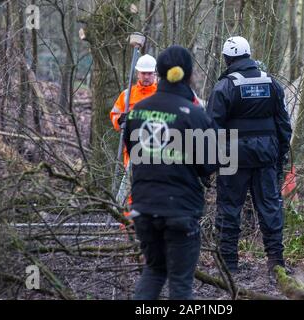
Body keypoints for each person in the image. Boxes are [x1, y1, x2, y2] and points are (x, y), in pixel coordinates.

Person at [123, 45, 217, 300]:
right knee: (180, 283)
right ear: (187, 75)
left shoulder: (136, 112)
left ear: (160, 73)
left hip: (143, 205)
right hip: (180, 210)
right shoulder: (195, 114)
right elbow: (208, 164)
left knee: (153, 271)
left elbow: (133, 151)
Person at [206, 36, 292, 281]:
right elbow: (283, 125)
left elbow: (211, 129)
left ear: (227, 58)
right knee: (270, 206)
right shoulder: (272, 84)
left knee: (230, 208)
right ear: (249, 55)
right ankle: (276, 263)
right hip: (266, 154)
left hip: (233, 156)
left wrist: (206, 167)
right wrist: (280, 155)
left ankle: (229, 265)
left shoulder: (224, 87)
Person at [110, 54, 158, 167]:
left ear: (155, 73)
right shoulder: (127, 95)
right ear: (137, 74)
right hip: (132, 153)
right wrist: (120, 119)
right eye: (143, 73)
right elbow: (114, 115)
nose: (146, 76)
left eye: (149, 73)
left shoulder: (162, 94)